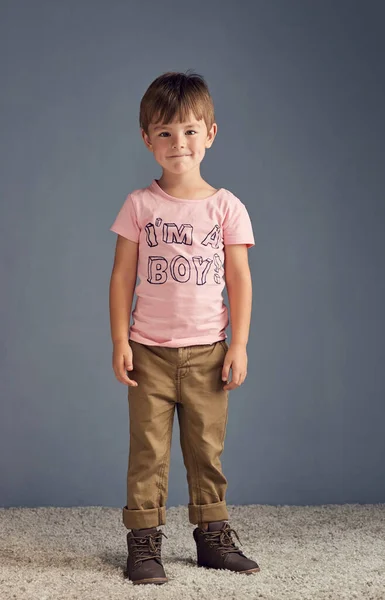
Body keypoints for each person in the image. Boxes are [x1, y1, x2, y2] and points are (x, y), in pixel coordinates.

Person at [109, 70, 259, 586]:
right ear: (147, 139)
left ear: (210, 134)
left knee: (206, 449)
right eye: (166, 133)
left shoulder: (226, 207)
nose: (179, 143)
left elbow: (239, 280)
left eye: (191, 131)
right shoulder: (140, 205)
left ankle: (212, 536)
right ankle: (144, 542)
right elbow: (122, 277)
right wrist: (119, 342)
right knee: (147, 451)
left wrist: (237, 344)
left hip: (209, 353)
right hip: (148, 352)